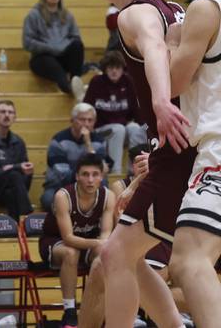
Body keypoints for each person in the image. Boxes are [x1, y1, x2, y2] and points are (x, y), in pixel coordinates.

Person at [95, 0, 196, 328]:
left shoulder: (134, 13)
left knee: (114, 255)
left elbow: (154, 48)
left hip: (179, 145)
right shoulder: (171, 8)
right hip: (177, 147)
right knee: (128, 255)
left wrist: (159, 102)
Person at [166, 0, 221, 328]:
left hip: (218, 146)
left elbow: (172, 82)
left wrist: (170, 39)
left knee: (187, 260)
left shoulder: (206, 7)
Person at [78, 148, 191, 328]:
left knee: (195, 272)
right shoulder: (122, 185)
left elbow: (193, 149)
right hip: (165, 199)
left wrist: (157, 163)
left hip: (191, 194)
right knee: (106, 261)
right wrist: (136, 183)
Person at [39, 153, 115, 328]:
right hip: (55, 242)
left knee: (105, 253)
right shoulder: (63, 196)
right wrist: (99, 243)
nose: (90, 179)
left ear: (101, 177)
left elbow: (105, 234)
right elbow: (68, 238)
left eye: (95, 174)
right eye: (85, 174)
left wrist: (101, 244)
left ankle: (96, 307)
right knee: (71, 252)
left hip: (88, 243)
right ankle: (70, 311)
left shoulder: (108, 196)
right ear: (77, 176)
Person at [83, 50, 147, 174]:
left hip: (122, 127)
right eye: (110, 67)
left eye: (117, 68)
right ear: (105, 69)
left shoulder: (128, 81)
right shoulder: (96, 82)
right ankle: (115, 171)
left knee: (135, 128)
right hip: (100, 129)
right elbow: (88, 107)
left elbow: (135, 109)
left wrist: (145, 125)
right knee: (118, 129)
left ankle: (132, 170)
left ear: (122, 69)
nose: (114, 71)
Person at [22, 0, 86, 100]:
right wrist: (50, 48)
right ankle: (67, 87)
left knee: (77, 45)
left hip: (63, 55)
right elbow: (27, 42)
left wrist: (61, 47)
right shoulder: (33, 15)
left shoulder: (67, 15)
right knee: (49, 62)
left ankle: (75, 81)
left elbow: (76, 37)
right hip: (42, 57)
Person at [41, 103, 109, 211]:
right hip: (60, 186)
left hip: (88, 184)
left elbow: (103, 170)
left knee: (104, 187)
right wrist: (84, 177)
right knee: (48, 199)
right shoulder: (59, 141)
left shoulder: (99, 141)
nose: (86, 124)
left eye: (90, 120)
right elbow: (64, 175)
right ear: (72, 120)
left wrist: (88, 144)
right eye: (82, 119)